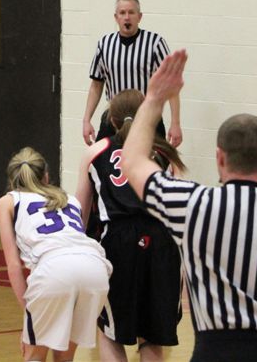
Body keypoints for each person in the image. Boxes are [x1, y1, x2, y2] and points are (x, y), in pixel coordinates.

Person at [120, 50, 257, 362]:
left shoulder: (193, 206)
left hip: (215, 353)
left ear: (219, 157)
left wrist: (154, 99)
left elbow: (132, 162)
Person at [76, 89, 185, 362]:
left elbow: (80, 214)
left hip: (117, 242)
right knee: (152, 336)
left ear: (111, 120)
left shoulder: (95, 152)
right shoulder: (166, 153)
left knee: (110, 333)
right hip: (161, 242)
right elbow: (178, 208)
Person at [0, 147, 111, 362]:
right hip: (95, 269)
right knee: (65, 358)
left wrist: (29, 314)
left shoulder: (7, 202)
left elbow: (14, 266)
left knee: (34, 356)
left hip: (55, 269)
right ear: (46, 176)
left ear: (13, 178)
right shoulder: (69, 199)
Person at [82, 0, 180, 146]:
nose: (127, 17)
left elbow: (170, 86)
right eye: (122, 13)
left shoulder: (155, 43)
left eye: (131, 12)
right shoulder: (104, 44)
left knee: (155, 159)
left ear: (139, 17)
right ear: (116, 17)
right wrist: (86, 120)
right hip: (114, 117)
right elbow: (96, 85)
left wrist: (175, 123)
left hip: (147, 116)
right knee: (100, 157)